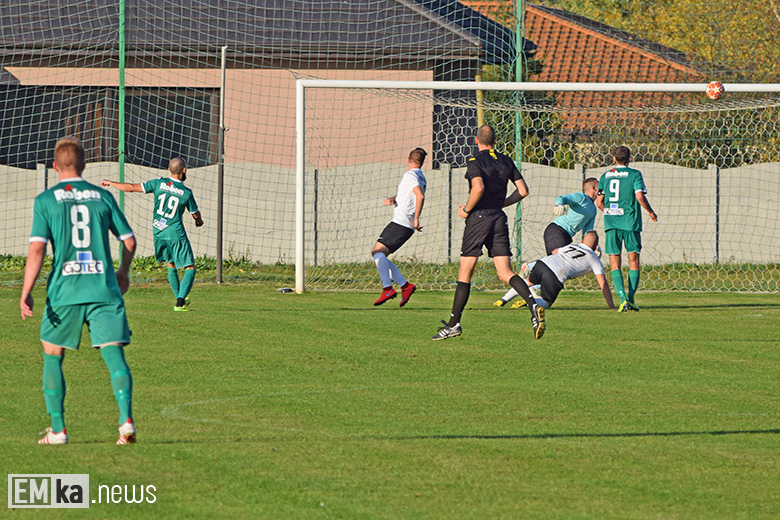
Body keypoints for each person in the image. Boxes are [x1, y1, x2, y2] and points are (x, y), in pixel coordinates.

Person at [20, 137, 138, 445]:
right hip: (103, 288)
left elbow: (37, 250)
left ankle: (58, 430)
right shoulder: (102, 196)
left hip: (65, 292)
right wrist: (122, 272)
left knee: (52, 355)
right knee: (114, 354)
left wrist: (26, 291)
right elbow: (129, 241)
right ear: (84, 165)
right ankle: (126, 422)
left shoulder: (45, 200)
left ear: (56, 166)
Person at [432, 124, 545, 341]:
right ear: (495, 141)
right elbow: (523, 191)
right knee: (505, 272)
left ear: (476, 141)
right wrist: (501, 203)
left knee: (465, 272)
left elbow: (478, 188)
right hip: (498, 218)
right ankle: (532, 306)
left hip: (479, 218)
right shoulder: (505, 160)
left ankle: (454, 324)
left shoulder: (475, 161)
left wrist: (466, 210)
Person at [103, 157, 204, 311]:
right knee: (189, 267)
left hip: (158, 232)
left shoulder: (158, 183)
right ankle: (180, 301)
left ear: (169, 170)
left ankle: (179, 297)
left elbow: (130, 188)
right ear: (184, 170)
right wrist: (199, 221)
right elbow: (195, 213)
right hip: (176, 233)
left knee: (171, 264)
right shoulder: (186, 193)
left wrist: (111, 183)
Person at [494, 177, 600, 307]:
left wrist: (592, 247)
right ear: (594, 188)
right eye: (600, 187)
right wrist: (559, 204)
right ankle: (531, 268)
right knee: (555, 264)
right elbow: (562, 198)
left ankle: (518, 295)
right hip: (556, 231)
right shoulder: (582, 197)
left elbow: (588, 232)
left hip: (566, 236)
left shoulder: (593, 210)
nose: (602, 191)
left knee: (555, 269)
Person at [595, 145, 658, 312]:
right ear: (630, 159)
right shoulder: (635, 174)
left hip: (612, 224)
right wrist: (651, 212)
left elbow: (599, 203)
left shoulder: (605, 176)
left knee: (614, 261)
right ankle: (631, 299)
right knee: (633, 261)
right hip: (630, 223)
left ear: (614, 159)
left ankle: (622, 299)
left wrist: (610, 213)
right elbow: (639, 197)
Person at [371, 148, 427, 307]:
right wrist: (394, 199)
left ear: (408, 159)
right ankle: (405, 286)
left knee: (377, 252)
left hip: (401, 222)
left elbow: (419, 195)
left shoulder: (409, 175)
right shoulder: (421, 177)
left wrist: (416, 218)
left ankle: (388, 288)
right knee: (380, 254)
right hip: (404, 225)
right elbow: (409, 194)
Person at [515, 231, 615, 311]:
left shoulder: (573, 246)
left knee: (528, 282)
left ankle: (504, 299)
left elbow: (554, 252)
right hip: (556, 273)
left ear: (582, 241)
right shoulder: (594, 258)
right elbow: (603, 284)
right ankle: (530, 300)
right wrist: (611, 306)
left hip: (542, 262)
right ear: (596, 246)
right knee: (547, 301)